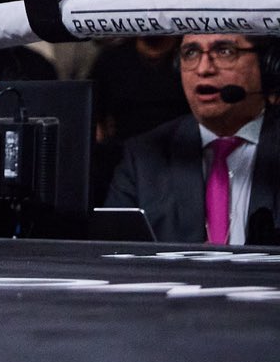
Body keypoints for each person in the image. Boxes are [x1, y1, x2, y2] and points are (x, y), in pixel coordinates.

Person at [107, 34, 278, 245]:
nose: (204, 68)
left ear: (267, 65)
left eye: (225, 51)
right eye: (191, 53)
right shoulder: (144, 156)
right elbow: (115, 257)